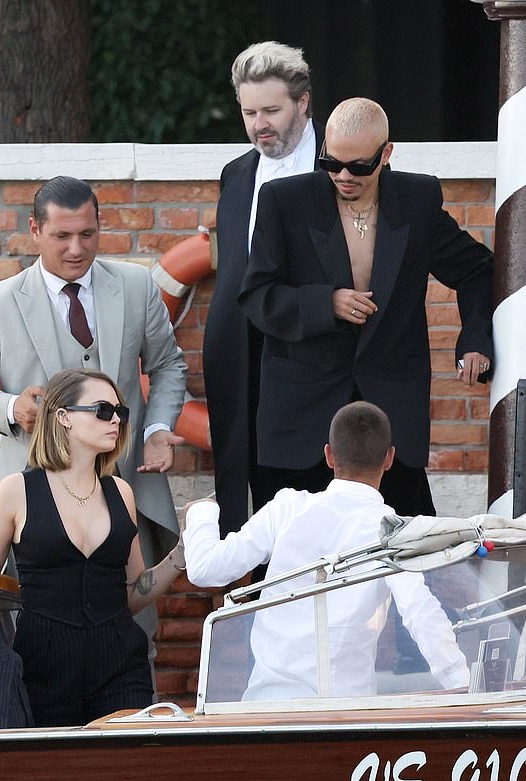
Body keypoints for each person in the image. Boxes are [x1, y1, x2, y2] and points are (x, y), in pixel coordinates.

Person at [0, 175, 187, 686]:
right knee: (41, 632)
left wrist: (158, 426)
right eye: (62, 237)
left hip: (125, 489)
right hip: (37, 496)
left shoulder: (137, 285)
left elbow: (168, 364)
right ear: (35, 230)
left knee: (133, 623)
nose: (77, 249)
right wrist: (13, 408)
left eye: (88, 234)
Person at [238, 97, 493, 518]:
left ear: (386, 153)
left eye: (358, 166)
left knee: (406, 553)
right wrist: (327, 302)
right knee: (292, 558)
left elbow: (477, 269)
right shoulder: (285, 200)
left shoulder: (416, 198)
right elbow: (257, 295)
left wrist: (475, 338)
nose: (342, 175)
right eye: (331, 163)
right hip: (303, 413)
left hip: (390, 412)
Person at [182, 402, 469, 699]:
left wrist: (201, 512)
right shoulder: (391, 530)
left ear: (329, 455)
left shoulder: (286, 508)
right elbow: (420, 612)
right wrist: (465, 688)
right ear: (389, 459)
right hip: (343, 716)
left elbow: (206, 569)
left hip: (266, 707)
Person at [0, 368, 186, 726]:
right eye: (103, 411)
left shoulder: (120, 492)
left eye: (120, 413)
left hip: (120, 664)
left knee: (122, 771)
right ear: (63, 417)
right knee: (55, 776)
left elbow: (134, 592)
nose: (116, 421)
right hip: (43, 665)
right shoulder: (17, 491)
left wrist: (181, 556)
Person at [203, 42, 325, 536]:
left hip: (311, 355)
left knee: (310, 501)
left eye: (271, 110)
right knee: (248, 500)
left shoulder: (336, 166)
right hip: (238, 357)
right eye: (249, 113)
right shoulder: (235, 174)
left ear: (304, 103)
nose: (260, 124)